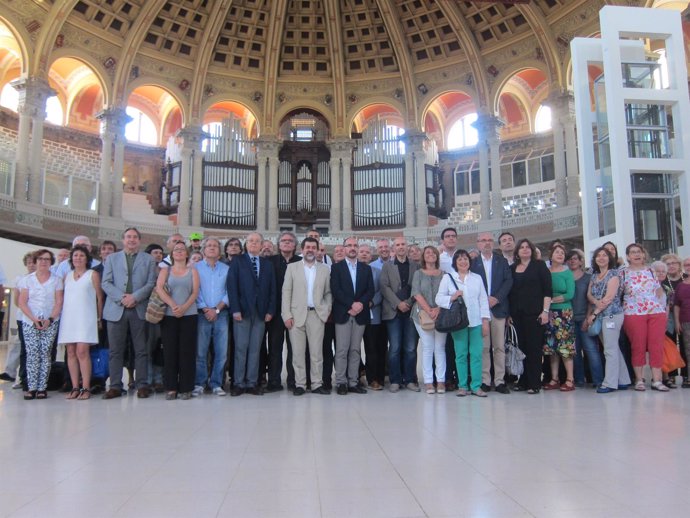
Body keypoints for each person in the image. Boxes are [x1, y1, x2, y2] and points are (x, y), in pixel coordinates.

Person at [101, 227, 157, 399]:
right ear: (123, 240)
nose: (131, 240)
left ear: (139, 240)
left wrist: (135, 297)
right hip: (116, 309)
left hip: (139, 308)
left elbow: (151, 283)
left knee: (141, 349)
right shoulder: (112, 258)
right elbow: (106, 282)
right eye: (128, 237)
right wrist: (122, 298)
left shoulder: (149, 260)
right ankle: (116, 386)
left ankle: (141, 384)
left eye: (134, 237)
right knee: (115, 350)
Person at [227, 232, 276, 396]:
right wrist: (235, 309)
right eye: (251, 241)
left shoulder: (267, 264)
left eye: (257, 241)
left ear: (262, 245)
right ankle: (239, 383)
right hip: (242, 311)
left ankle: (252, 382)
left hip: (261, 313)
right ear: (246, 244)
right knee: (241, 348)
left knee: (255, 349)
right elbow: (232, 287)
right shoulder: (237, 261)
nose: (254, 244)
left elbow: (272, 290)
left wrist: (270, 310)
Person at [436, 249, 491, 397]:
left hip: (476, 321)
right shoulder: (448, 278)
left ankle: (476, 386)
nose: (463, 261)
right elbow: (438, 299)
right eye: (459, 259)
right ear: (455, 262)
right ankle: (462, 385)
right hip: (458, 322)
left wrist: (485, 321)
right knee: (460, 354)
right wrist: (452, 297)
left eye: (465, 258)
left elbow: (483, 300)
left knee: (476, 354)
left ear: (469, 261)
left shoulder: (477, 278)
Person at [282, 237, 332, 395]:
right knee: (297, 353)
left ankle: (317, 384)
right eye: (307, 247)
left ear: (317, 250)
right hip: (296, 316)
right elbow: (286, 292)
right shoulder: (292, 268)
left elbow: (328, 292)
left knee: (317, 353)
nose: (310, 250)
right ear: (302, 250)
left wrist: (326, 310)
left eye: (313, 247)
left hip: (316, 315)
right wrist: (287, 315)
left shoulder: (324, 269)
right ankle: (300, 384)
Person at [620, 243, 669, 392]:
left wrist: (662, 308)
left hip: (655, 311)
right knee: (638, 345)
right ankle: (639, 379)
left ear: (643, 254)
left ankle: (657, 380)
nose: (636, 255)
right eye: (633, 252)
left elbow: (658, 290)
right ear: (628, 256)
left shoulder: (651, 271)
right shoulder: (623, 273)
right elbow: (619, 293)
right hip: (633, 312)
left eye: (639, 252)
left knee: (656, 346)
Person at [330, 236, 374, 395]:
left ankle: (353, 381)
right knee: (342, 349)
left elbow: (370, 290)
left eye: (355, 245)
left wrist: (360, 304)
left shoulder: (366, 268)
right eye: (349, 245)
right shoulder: (336, 268)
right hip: (343, 313)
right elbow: (336, 290)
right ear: (344, 248)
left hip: (360, 314)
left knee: (355, 349)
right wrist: (351, 305)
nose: (352, 248)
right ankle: (341, 382)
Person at [58, 245, 103, 400]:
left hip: (86, 318)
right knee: (70, 352)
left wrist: (99, 317)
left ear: (87, 258)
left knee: (82, 352)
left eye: (81, 255)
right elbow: (62, 298)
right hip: (69, 318)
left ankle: (86, 387)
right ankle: (75, 386)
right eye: (75, 255)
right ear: (72, 259)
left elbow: (99, 297)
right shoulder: (67, 276)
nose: (78, 258)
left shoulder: (93, 274)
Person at [17, 249, 64, 400]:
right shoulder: (27, 280)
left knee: (45, 353)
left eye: (47, 259)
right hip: (30, 322)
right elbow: (22, 302)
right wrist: (34, 319)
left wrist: (50, 319)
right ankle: (31, 387)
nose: (43, 262)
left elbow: (58, 302)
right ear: (36, 261)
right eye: (41, 259)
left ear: (51, 262)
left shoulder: (57, 280)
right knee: (32, 354)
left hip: (50, 321)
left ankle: (42, 387)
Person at [156, 242, 199, 400]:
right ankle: (171, 387)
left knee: (187, 352)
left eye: (182, 250)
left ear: (187, 254)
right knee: (170, 351)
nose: (179, 252)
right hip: (169, 315)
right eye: (176, 250)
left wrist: (184, 307)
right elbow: (159, 288)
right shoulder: (165, 270)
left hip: (189, 315)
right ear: (172, 254)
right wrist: (174, 306)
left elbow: (195, 292)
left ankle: (186, 387)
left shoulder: (192, 271)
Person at [471, 232, 513, 394]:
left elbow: (508, 281)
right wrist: (483, 300)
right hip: (480, 312)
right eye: (483, 241)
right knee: (483, 347)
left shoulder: (501, 261)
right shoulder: (473, 263)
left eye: (489, 240)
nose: (487, 243)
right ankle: (485, 380)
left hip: (498, 309)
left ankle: (500, 380)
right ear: (478, 244)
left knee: (499, 347)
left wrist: (496, 298)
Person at [509, 239, 552, 394]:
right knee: (521, 349)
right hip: (517, 315)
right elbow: (510, 293)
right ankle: (523, 380)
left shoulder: (539, 266)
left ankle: (534, 383)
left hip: (536, 314)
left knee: (534, 349)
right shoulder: (512, 268)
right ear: (517, 252)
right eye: (522, 247)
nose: (525, 249)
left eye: (528, 247)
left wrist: (545, 312)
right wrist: (509, 314)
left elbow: (548, 290)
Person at [587, 247, 630, 393]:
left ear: (609, 258)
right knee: (613, 348)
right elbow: (589, 295)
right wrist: (596, 302)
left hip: (612, 315)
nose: (601, 258)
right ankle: (623, 380)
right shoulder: (594, 276)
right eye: (598, 255)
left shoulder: (614, 274)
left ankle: (610, 382)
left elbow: (610, 297)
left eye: (604, 255)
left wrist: (596, 311)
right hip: (600, 316)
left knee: (610, 350)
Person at [381, 236, 420, 392]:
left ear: (407, 247)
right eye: (397, 244)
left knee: (410, 348)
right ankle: (395, 380)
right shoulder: (387, 266)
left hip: (410, 312)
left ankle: (409, 379)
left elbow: (417, 287)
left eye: (403, 244)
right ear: (393, 248)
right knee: (395, 347)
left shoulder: (415, 266)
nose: (401, 247)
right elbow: (384, 287)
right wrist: (398, 303)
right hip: (393, 312)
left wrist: (408, 303)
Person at [192, 237, 229, 397]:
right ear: (203, 250)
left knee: (221, 352)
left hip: (221, 314)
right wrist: (206, 309)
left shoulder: (226, 269)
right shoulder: (195, 268)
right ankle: (200, 383)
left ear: (219, 251)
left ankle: (216, 383)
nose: (212, 248)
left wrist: (217, 309)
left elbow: (230, 291)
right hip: (202, 314)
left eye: (215, 246)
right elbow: (195, 290)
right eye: (209, 246)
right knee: (200, 352)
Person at [265, 231, 302, 392]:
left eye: (289, 241)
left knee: (295, 349)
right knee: (275, 348)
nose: (286, 243)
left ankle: (294, 380)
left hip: (296, 312)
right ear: (278, 245)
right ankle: (273, 381)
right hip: (275, 312)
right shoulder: (269, 262)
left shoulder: (301, 262)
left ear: (295, 245)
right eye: (283, 241)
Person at [567, 249, 604, 389]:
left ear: (581, 261)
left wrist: (588, 317)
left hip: (584, 317)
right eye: (570, 259)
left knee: (591, 350)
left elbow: (591, 300)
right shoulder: (565, 276)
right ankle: (579, 379)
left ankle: (598, 379)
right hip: (568, 318)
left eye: (575, 258)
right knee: (574, 351)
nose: (572, 261)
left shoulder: (589, 278)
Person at [411, 246, 446, 394]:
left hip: (441, 314)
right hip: (421, 315)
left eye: (433, 253)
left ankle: (441, 381)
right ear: (423, 257)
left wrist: (438, 309)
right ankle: (428, 381)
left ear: (437, 256)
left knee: (440, 347)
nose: (431, 255)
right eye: (427, 253)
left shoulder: (444, 274)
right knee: (427, 347)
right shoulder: (418, 273)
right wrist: (429, 310)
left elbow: (447, 293)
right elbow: (416, 293)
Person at [543, 244, 577, 392]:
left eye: (562, 253)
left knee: (565, 347)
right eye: (557, 252)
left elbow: (570, 294)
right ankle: (554, 378)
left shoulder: (567, 273)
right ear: (551, 255)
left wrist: (550, 300)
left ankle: (570, 379)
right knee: (552, 347)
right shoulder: (546, 272)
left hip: (564, 313)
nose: (560, 254)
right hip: (548, 314)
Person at [359, 244, 385, 390]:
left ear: (371, 256)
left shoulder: (377, 271)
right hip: (355, 314)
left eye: (367, 252)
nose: (364, 254)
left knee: (372, 348)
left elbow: (381, 290)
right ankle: (356, 375)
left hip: (372, 314)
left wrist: (371, 302)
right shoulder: (351, 271)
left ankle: (373, 378)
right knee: (354, 348)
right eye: (361, 252)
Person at [674, 268, 690, 388]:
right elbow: (676, 305)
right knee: (688, 350)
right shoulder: (680, 286)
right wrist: (677, 321)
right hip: (685, 320)